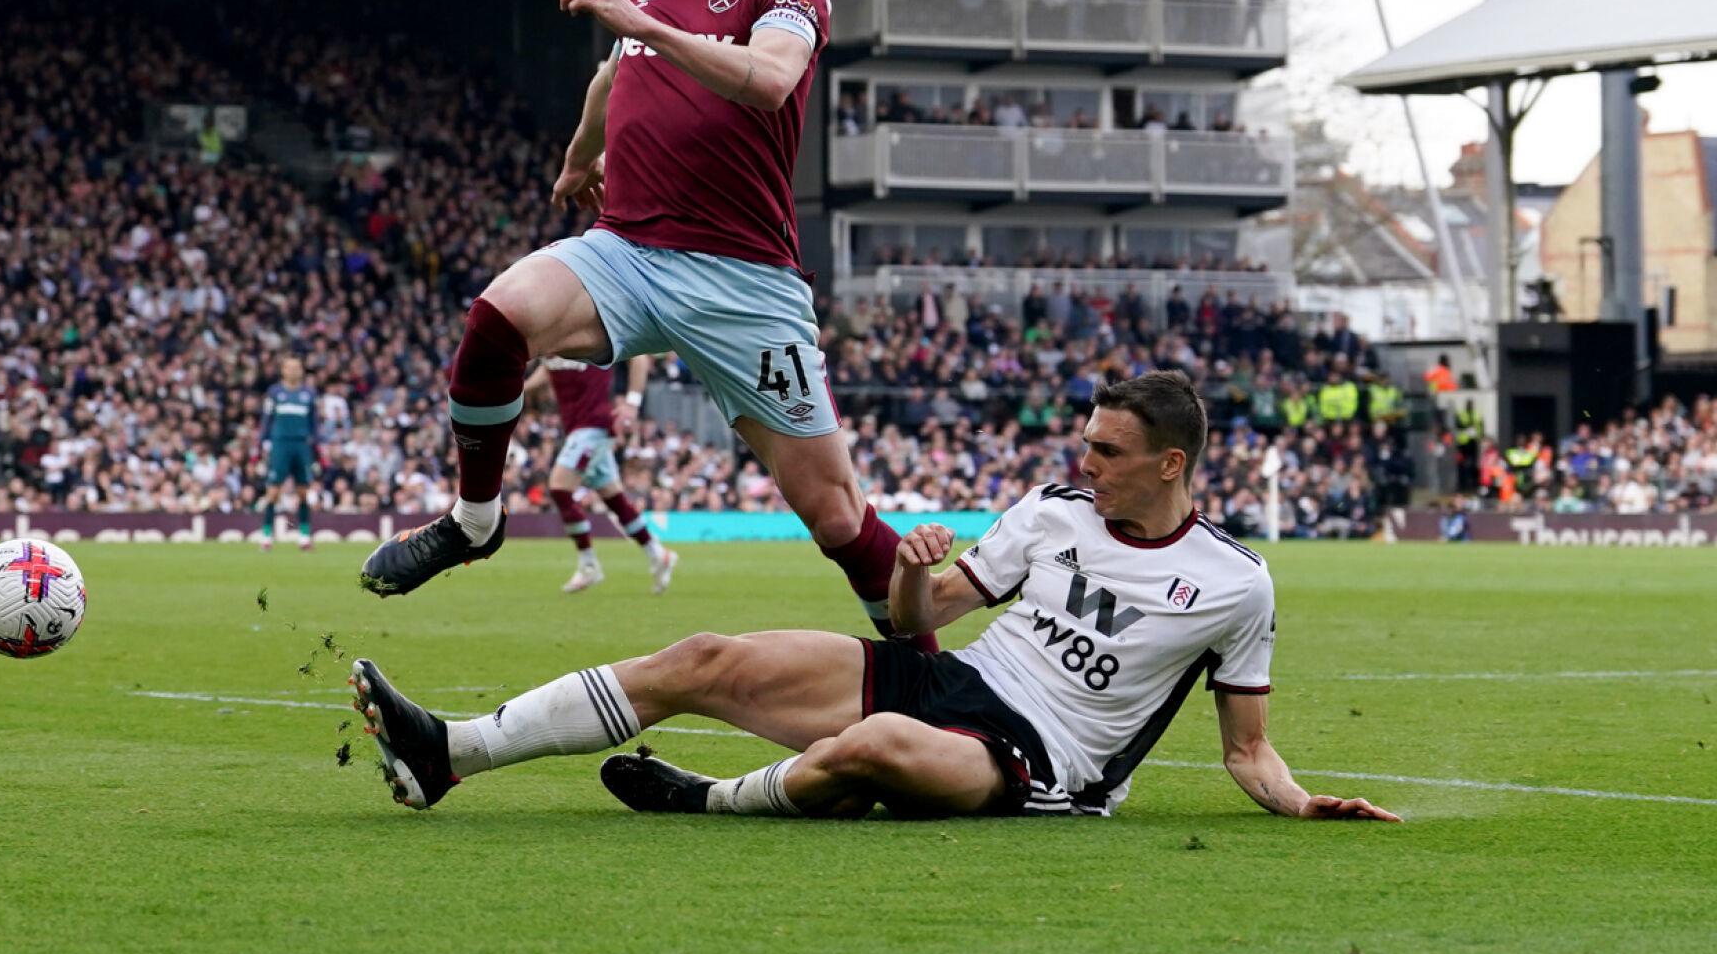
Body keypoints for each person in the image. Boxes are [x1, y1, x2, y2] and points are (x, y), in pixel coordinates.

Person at [359, 0, 926, 648]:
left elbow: (769, 81)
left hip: (744, 281)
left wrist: (645, 25)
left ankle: (932, 684)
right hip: (629, 249)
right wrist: (578, 157)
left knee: (837, 517)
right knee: (498, 315)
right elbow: (611, 79)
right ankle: (476, 521)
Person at [348, 372, 1398, 823]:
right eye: (1081, 442)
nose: (1084, 463)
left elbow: (1244, 748)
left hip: (1041, 762)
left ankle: (706, 798)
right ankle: (452, 750)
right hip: (956, 677)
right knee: (705, 654)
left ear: (1172, 465)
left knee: (870, 748)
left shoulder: (1234, 583)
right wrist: (908, 566)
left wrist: (1300, 800)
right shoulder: (1050, 509)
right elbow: (915, 620)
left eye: (1107, 452)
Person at [523, 353, 678, 594]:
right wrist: (517, 390)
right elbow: (548, 369)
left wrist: (632, 402)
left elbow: (639, 357)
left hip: (594, 426)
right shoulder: (554, 339)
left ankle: (588, 563)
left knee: (559, 488)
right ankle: (658, 554)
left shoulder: (591, 332)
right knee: (614, 498)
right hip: (578, 429)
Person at [257, 354, 319, 552]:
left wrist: (317, 445)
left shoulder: (308, 395)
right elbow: (266, 420)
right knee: (273, 492)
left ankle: (304, 536)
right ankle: (266, 536)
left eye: (297, 367)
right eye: (289, 367)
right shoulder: (275, 393)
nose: (293, 371)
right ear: (283, 370)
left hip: (301, 445)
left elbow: (314, 424)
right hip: (280, 444)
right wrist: (262, 442)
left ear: (301, 370)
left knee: (303, 492)